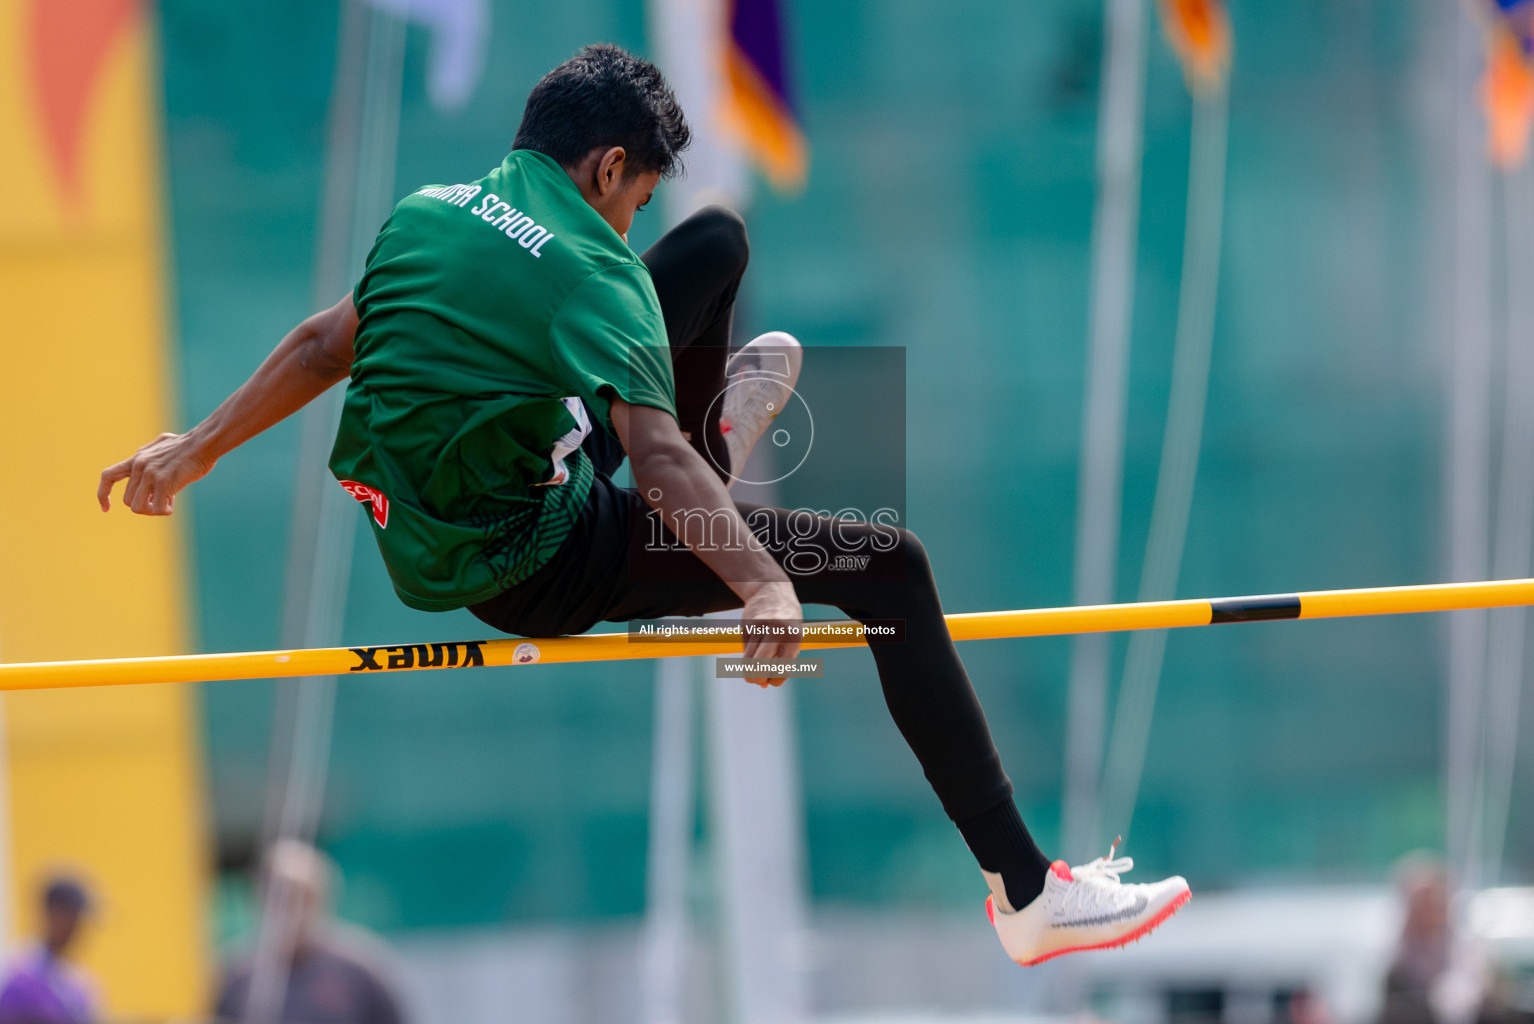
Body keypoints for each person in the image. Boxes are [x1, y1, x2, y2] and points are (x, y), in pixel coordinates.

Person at [97, 43, 1188, 966]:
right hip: (539, 560)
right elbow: (651, 462)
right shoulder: (592, 272)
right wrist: (759, 582)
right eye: (633, 199)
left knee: (714, 241)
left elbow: (323, 342)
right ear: (607, 163)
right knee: (888, 566)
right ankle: (1025, 890)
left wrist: (192, 450)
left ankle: (720, 441)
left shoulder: (426, 215)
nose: (632, 222)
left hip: (440, 522)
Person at [213, 840, 406, 1023]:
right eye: (279, 897)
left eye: (302, 898)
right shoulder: (237, 977)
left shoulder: (361, 971)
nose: (291, 910)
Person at [0, 876, 99, 1024]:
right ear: (53, 913)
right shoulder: (18, 974)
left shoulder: (79, 981)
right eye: (75, 919)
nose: (80, 929)